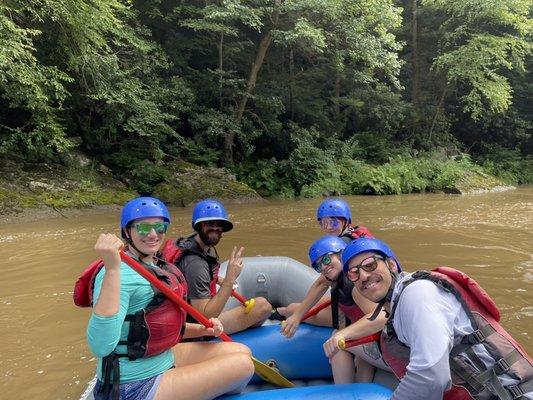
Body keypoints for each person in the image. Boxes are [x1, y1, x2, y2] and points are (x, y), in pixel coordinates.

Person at [80, 197, 254, 400]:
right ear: (127, 231)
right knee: (243, 365)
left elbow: (154, 326)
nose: (153, 234)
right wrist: (111, 269)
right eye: (143, 228)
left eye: (160, 227)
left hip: (163, 357)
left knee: (242, 351)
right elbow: (101, 346)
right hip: (134, 386)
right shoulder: (118, 273)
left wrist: (202, 329)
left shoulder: (155, 265)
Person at [338, 237, 533, 400]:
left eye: (370, 265)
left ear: (391, 264)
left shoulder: (417, 294)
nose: (363, 275)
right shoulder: (398, 306)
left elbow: (430, 376)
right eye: (354, 273)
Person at [280, 236, 392, 384]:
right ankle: (355, 390)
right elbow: (320, 283)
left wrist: (343, 334)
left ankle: (343, 390)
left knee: (336, 341)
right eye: (318, 266)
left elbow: (381, 317)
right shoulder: (338, 276)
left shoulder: (352, 284)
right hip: (373, 336)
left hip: (387, 347)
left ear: (341, 254)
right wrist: (296, 316)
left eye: (326, 260)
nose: (324, 267)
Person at [162, 199, 273, 335]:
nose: (215, 228)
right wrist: (230, 279)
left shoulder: (189, 244)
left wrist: (218, 280)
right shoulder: (195, 264)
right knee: (262, 306)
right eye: (209, 224)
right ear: (198, 226)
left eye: (219, 224)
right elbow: (204, 318)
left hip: (181, 317)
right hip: (196, 328)